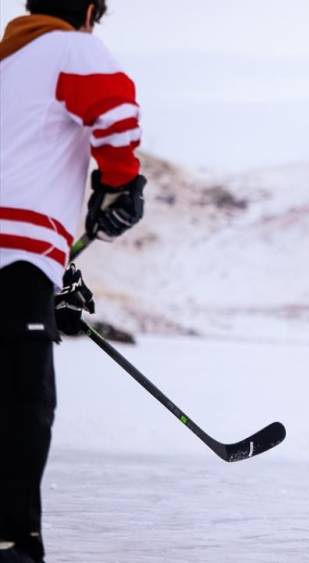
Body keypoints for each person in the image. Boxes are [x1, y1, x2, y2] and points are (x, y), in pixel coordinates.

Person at [0, 1, 145, 561]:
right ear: (87, 11)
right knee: (23, 402)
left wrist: (57, 269)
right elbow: (115, 112)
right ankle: (13, 540)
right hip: (16, 260)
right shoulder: (68, 47)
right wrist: (120, 186)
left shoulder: (10, 60)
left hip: (25, 259)